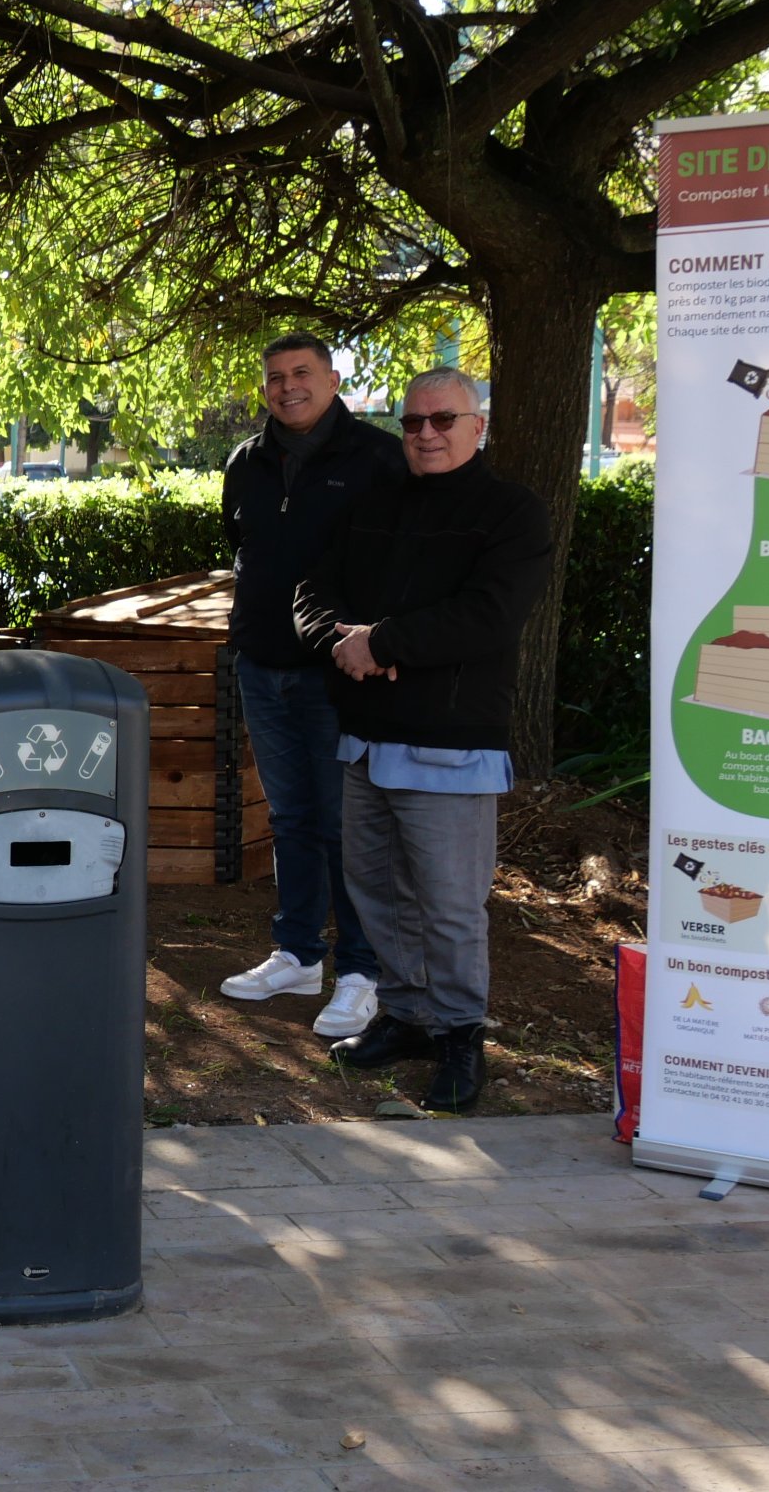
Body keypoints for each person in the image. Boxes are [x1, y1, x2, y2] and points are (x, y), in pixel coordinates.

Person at [294, 366, 552, 1114]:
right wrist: (336, 643)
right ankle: (406, 1018)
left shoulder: (512, 512)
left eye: (444, 420)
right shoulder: (375, 504)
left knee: (447, 905)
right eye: (413, 423)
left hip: (452, 744)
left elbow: (490, 614)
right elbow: (314, 590)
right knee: (375, 892)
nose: (427, 434)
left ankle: (460, 1034)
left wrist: (383, 642)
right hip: (366, 740)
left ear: (479, 426)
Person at [217, 332, 408, 1038]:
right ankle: (298, 953)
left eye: (302, 373)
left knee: (344, 827)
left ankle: (361, 970)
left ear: (332, 380)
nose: (287, 386)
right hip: (261, 669)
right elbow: (243, 551)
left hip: (340, 676)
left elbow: (397, 565)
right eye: (274, 376)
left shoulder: (380, 460)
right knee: (290, 819)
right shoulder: (246, 462)